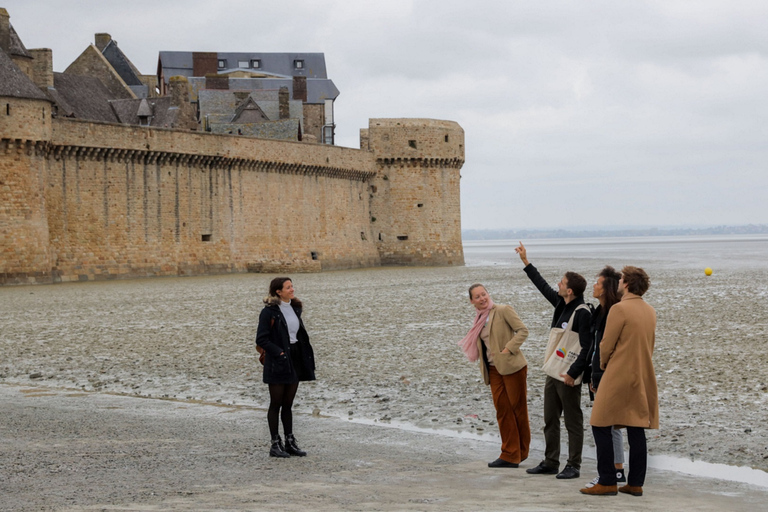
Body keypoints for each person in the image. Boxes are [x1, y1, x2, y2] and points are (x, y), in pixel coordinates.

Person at [514, 242, 591, 479]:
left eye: (562, 282)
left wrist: (573, 374)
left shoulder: (583, 312)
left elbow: (588, 348)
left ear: (570, 291)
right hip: (553, 371)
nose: (558, 284)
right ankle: (550, 461)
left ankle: (574, 465)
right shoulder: (561, 304)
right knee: (550, 419)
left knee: (573, 421)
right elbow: (542, 286)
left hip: (568, 375)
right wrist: (526, 262)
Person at [581, 266, 658, 497]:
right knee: (636, 427)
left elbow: (606, 345)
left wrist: (602, 367)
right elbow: (649, 345)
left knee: (600, 423)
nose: (619, 282)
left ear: (626, 283)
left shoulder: (619, 309)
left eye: (622, 279)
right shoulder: (650, 311)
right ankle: (635, 482)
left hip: (618, 373)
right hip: (642, 372)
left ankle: (607, 480)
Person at [458, 284, 531, 468]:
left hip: (512, 366)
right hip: (493, 370)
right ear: (471, 301)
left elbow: (522, 330)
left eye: (484, 294)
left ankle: (521, 452)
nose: (482, 298)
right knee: (502, 411)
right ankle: (509, 454)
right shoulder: (478, 320)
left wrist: (508, 348)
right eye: (477, 297)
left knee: (518, 409)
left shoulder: (503, 310)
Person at [255, 277, 316, 458]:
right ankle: (275, 444)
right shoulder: (268, 313)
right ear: (278, 292)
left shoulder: (296, 308)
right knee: (276, 403)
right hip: (277, 360)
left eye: (292, 286)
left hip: (295, 358)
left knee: (288, 404)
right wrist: (280, 353)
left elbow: (297, 334)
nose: (292, 289)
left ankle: (290, 442)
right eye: (288, 287)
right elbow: (261, 339)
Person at [583, 266, 626, 489]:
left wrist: (600, 376)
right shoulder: (599, 312)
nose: (594, 285)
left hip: (608, 376)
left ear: (606, 288)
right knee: (610, 425)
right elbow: (594, 348)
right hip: (598, 375)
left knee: (605, 424)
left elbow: (607, 349)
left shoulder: (613, 312)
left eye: (597, 283)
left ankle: (612, 473)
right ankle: (617, 470)